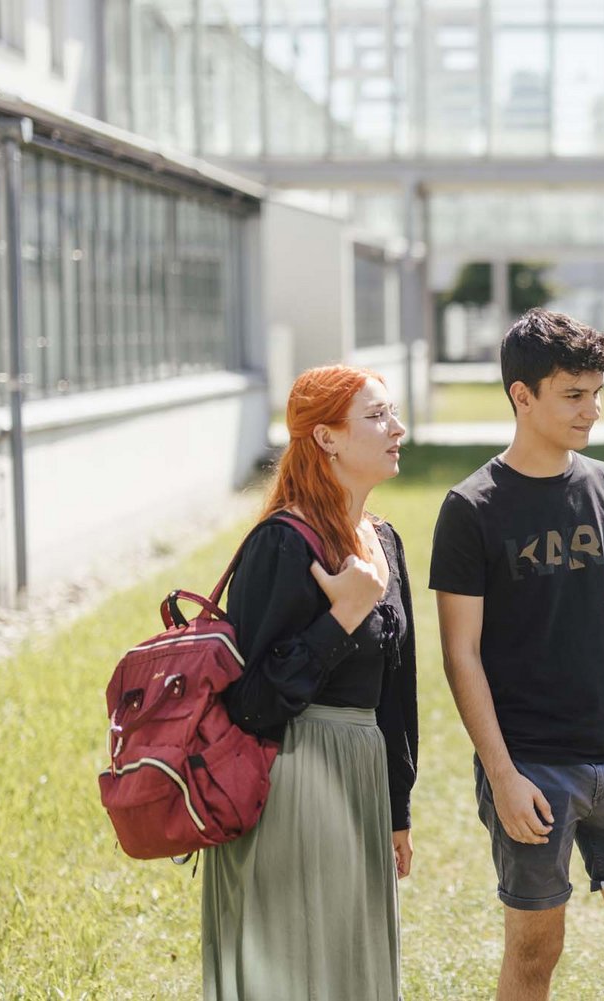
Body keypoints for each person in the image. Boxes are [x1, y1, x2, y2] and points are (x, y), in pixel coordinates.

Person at [430, 308, 604, 1001]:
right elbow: (461, 655)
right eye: (574, 395)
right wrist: (502, 772)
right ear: (523, 397)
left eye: (597, 393)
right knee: (535, 949)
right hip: (531, 765)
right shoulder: (472, 507)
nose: (593, 410)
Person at [203, 365, 418, 1001]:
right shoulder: (281, 544)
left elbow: (397, 692)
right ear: (325, 439)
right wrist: (342, 616)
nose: (397, 428)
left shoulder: (385, 540)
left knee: (353, 974)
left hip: (362, 778)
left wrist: (397, 808)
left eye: (392, 412)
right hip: (291, 784)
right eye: (377, 417)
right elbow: (249, 704)